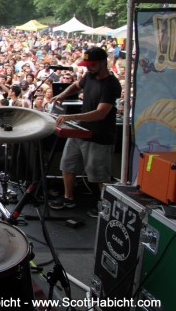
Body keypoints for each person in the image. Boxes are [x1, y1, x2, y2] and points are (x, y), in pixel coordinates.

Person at [49, 47, 122, 216]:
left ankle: (103, 207)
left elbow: (101, 113)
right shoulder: (89, 76)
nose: (88, 68)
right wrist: (62, 95)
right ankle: (68, 198)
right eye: (86, 64)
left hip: (99, 136)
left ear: (104, 63)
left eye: (92, 64)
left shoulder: (111, 85)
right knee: (68, 165)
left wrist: (70, 117)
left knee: (99, 175)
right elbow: (76, 85)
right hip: (80, 131)